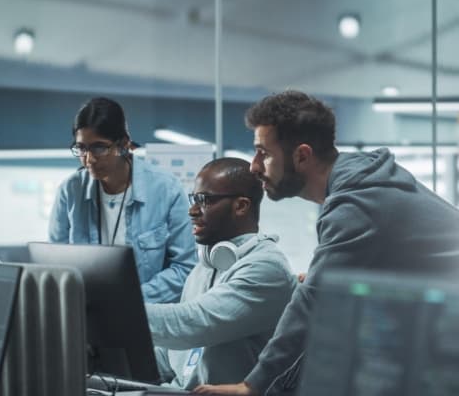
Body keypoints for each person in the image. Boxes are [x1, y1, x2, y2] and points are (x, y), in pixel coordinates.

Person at [194, 90, 459, 395]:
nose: (254, 166)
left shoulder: (355, 203)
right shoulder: (359, 183)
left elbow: (312, 306)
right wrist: (334, 280)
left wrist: (252, 385)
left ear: (302, 156)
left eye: (263, 153)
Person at [145, 157, 296, 390]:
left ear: (241, 206)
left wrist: (120, 316)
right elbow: (171, 357)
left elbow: (193, 323)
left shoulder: (267, 268)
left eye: (204, 200)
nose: (193, 211)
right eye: (194, 199)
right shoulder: (205, 267)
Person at [48, 97, 196, 303]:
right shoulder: (70, 190)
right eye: (81, 148)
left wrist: (130, 300)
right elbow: (55, 264)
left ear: (124, 145)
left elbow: (184, 268)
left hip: (146, 317)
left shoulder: (166, 189)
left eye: (99, 148)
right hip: (87, 315)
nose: (89, 159)